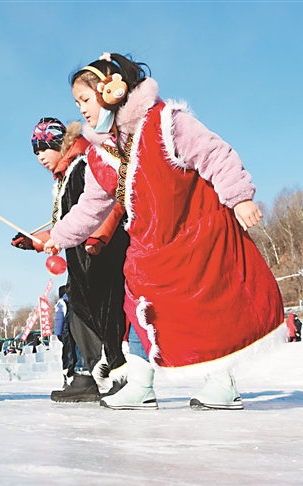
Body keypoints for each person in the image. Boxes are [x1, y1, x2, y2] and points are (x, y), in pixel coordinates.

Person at [44, 52, 284, 410]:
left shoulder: (166, 122)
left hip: (197, 231)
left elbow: (213, 154)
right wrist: (57, 236)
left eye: (85, 99)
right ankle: (141, 384)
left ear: (113, 90)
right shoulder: (101, 154)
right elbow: (91, 207)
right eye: (77, 102)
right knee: (139, 303)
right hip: (149, 243)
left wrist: (239, 197)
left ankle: (222, 381)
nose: (81, 109)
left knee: (206, 306)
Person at [14, 117, 130, 403]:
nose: (40, 155)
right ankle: (85, 375)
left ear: (59, 143)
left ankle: (122, 377)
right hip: (81, 260)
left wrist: (97, 237)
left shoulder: (82, 167)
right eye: (35, 151)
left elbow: (100, 207)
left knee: (106, 314)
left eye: (44, 147)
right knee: (77, 309)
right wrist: (36, 241)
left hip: (100, 255)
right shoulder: (67, 176)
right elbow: (67, 225)